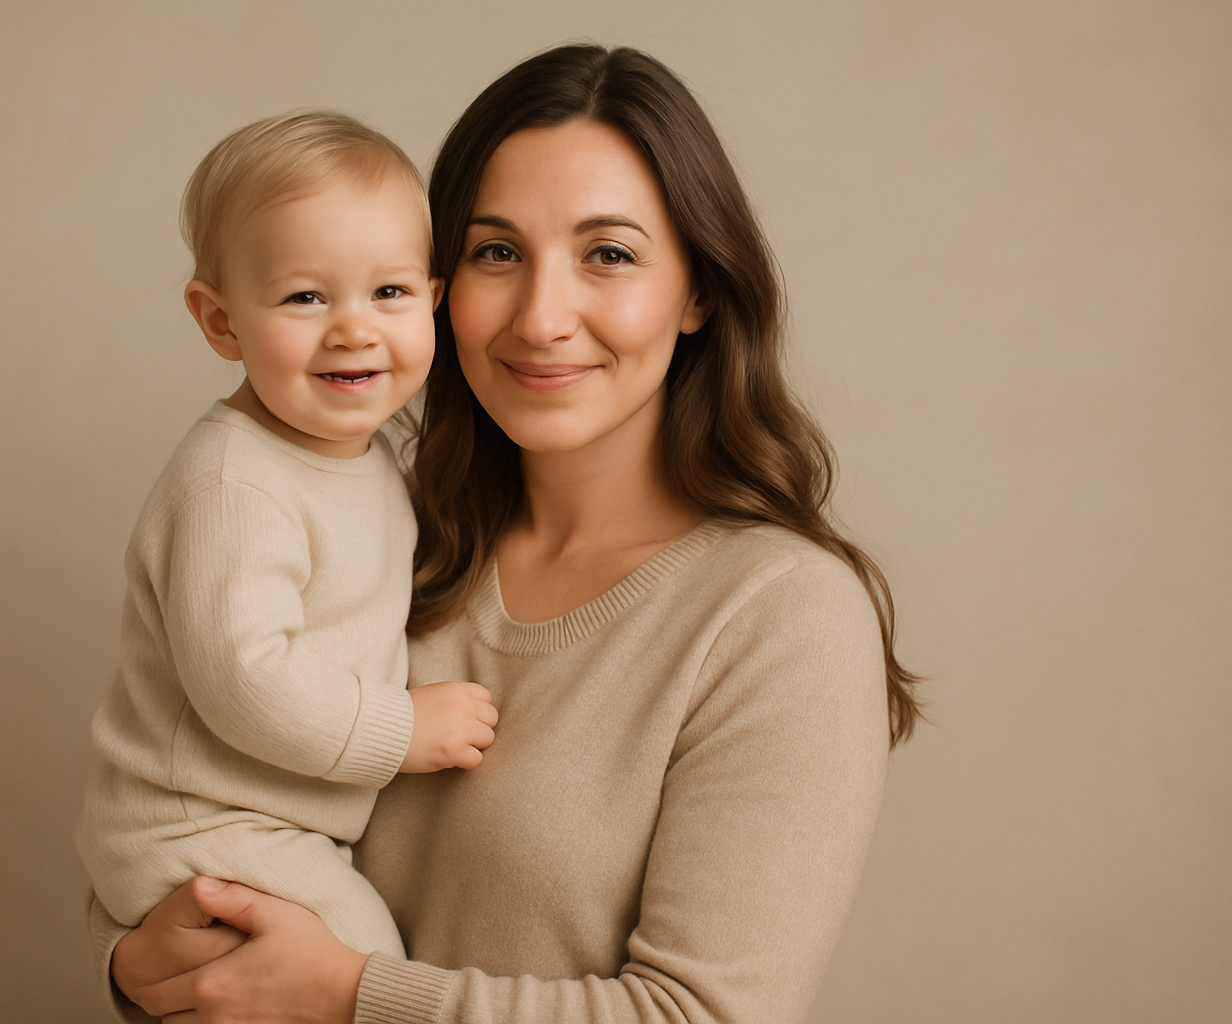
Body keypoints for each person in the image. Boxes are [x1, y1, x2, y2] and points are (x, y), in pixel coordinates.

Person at [94, 44, 922, 1024]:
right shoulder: (394, 539)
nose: (542, 315)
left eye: (608, 254)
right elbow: (212, 829)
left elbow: (700, 1019)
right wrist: (133, 963)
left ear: (698, 289)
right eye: (497, 253)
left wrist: (347, 993)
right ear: (440, 284)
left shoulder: (782, 616)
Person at [75, 110, 500, 977]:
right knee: (362, 963)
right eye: (307, 297)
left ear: (433, 301)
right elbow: (244, 674)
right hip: (199, 824)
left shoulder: (370, 455)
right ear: (222, 323)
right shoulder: (234, 481)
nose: (353, 328)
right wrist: (399, 730)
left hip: (275, 824)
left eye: (389, 292)